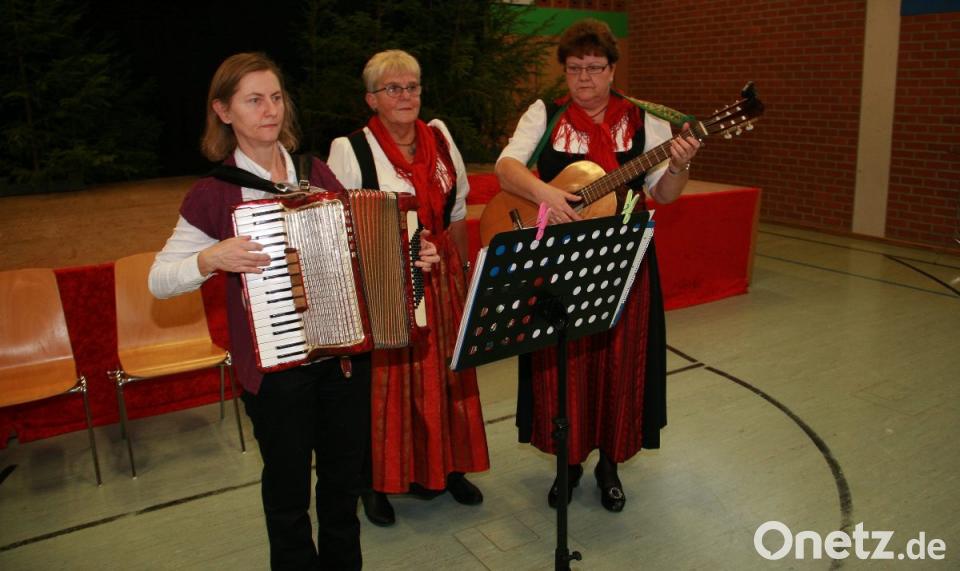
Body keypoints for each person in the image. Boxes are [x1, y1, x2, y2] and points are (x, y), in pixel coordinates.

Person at [148, 52, 439, 569]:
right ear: (223, 111)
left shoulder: (315, 171)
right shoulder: (213, 194)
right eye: (253, 100)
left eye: (276, 97)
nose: (270, 110)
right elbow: (159, 279)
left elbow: (361, 243)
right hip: (275, 373)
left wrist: (412, 254)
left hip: (343, 361)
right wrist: (210, 258)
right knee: (287, 494)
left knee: (343, 486)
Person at [494, 20, 700, 512]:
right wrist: (545, 193)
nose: (583, 78)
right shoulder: (545, 114)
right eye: (574, 69)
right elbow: (505, 168)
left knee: (619, 361)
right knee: (561, 363)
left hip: (625, 258)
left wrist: (679, 164)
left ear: (612, 69)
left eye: (594, 68)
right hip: (558, 259)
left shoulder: (646, 120)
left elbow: (664, 194)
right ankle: (567, 463)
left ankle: (609, 462)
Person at [327, 49, 489, 527]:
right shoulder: (351, 150)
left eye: (412, 86)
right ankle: (376, 483)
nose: (405, 96)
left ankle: (447, 468)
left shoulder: (439, 137)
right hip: (385, 281)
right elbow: (339, 229)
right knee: (388, 388)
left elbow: (457, 213)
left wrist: (463, 275)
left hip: (443, 275)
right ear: (371, 99)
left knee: (448, 377)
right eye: (392, 88)